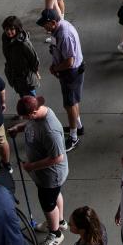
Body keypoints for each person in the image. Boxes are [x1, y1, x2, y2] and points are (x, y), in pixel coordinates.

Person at [9, 95, 69, 245]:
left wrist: (31, 166)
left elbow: (58, 157)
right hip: (45, 175)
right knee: (55, 196)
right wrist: (19, 128)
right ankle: (60, 221)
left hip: (50, 175)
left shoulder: (50, 130)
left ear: (33, 112)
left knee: (48, 204)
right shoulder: (39, 114)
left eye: (25, 117)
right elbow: (31, 124)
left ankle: (55, 234)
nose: (24, 119)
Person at [36, 8, 86, 150]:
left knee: (69, 105)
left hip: (71, 73)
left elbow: (69, 61)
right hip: (69, 71)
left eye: (45, 24)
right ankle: (78, 127)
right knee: (72, 102)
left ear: (53, 22)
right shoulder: (59, 29)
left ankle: (74, 137)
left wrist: (55, 68)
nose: (43, 27)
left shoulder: (64, 35)